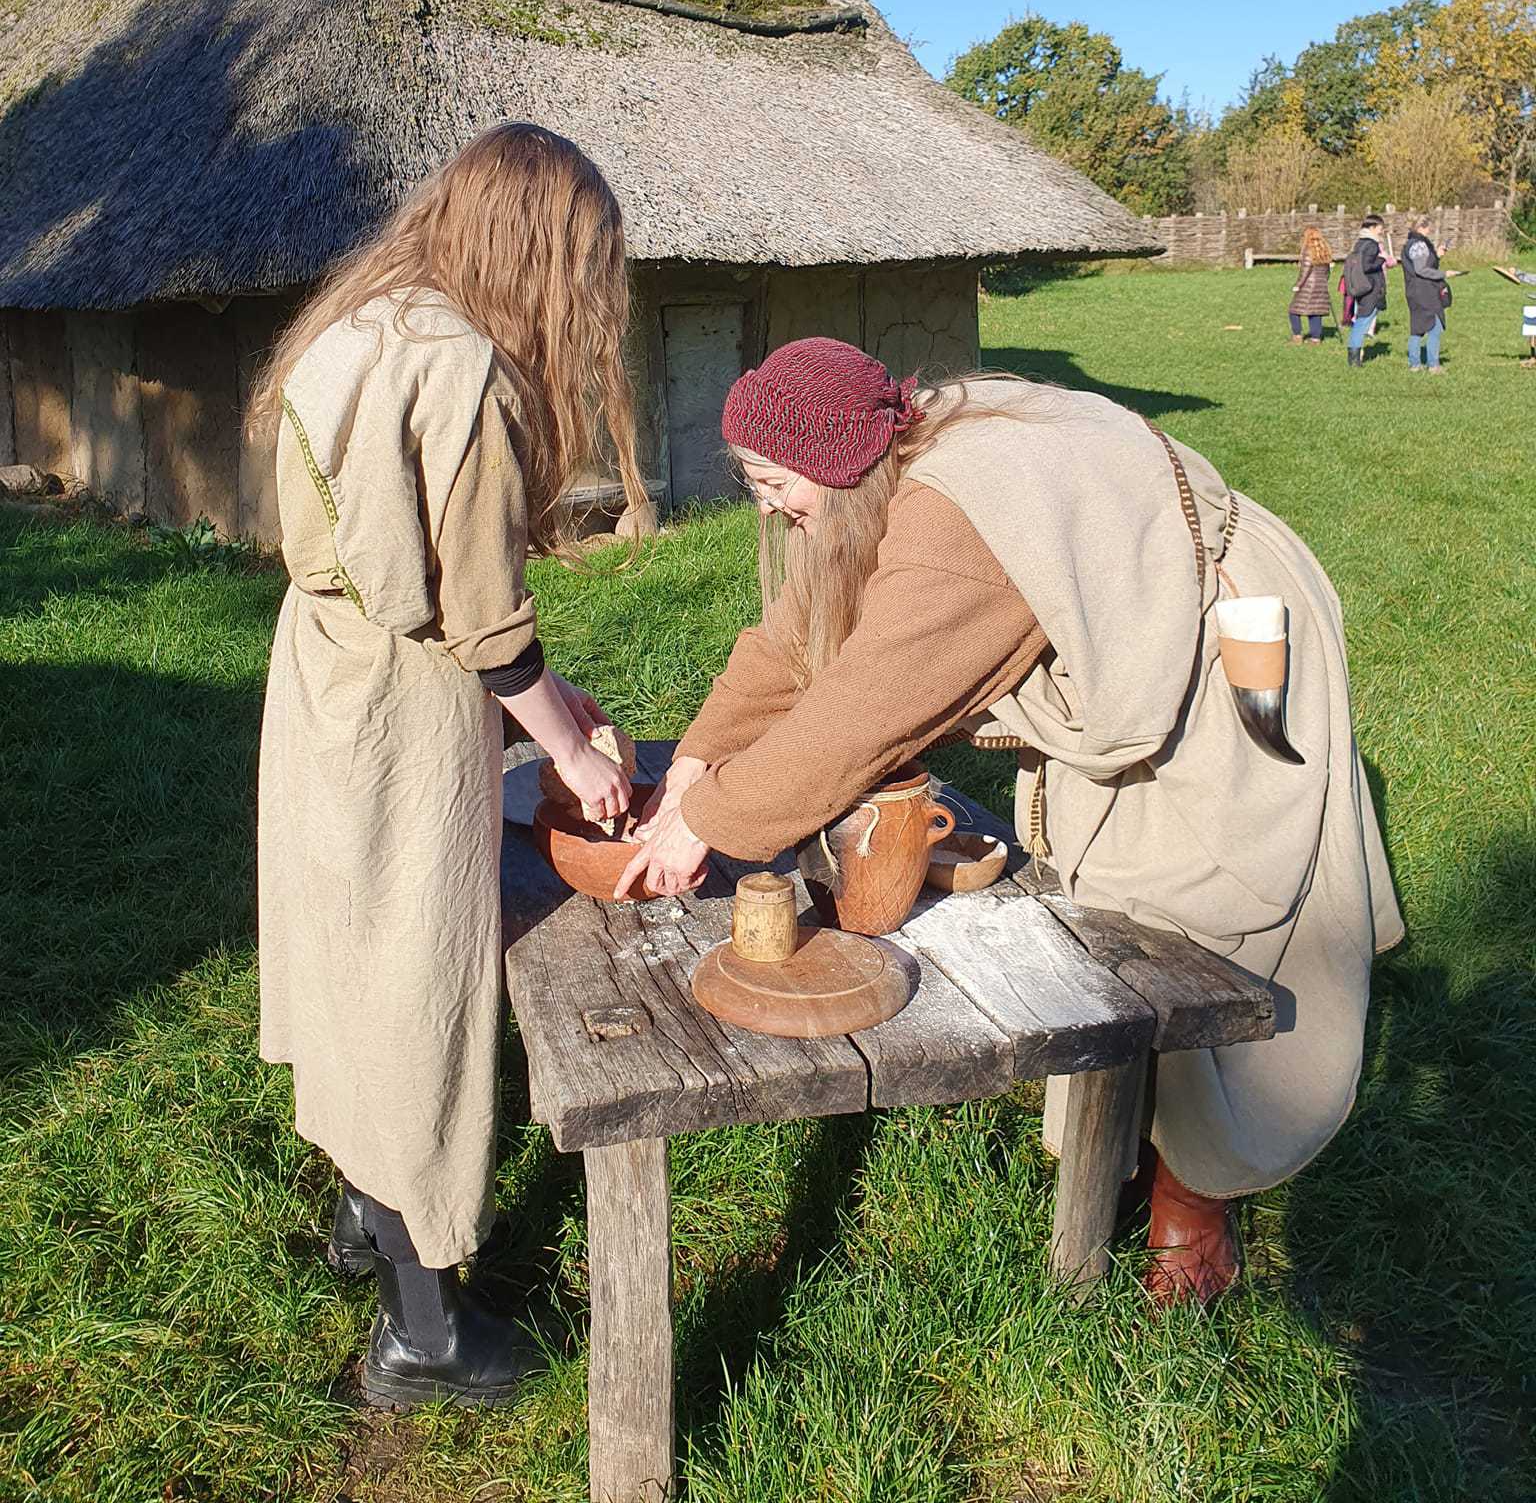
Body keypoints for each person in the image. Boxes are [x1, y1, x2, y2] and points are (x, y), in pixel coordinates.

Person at [619, 340, 1403, 1305]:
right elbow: (794, 639)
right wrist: (695, 762)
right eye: (755, 484)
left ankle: (1199, 1192)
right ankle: (1125, 1139)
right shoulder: (879, 465)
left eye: (777, 484)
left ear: (837, 462)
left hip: (1230, 649)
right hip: (1132, 646)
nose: (771, 507)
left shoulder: (959, 520)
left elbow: (861, 713)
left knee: (1229, 906)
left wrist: (706, 822)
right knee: (1120, 897)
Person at [251, 122, 649, 1408]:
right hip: (402, 712)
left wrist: (542, 700)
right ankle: (420, 1329)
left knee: (349, 948)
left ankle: (364, 1213)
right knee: (415, 981)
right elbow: (479, 617)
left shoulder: (365, 323)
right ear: (540, 250)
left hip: (325, 677)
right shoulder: (466, 365)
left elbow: (407, 562)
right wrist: (574, 749)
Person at [1400, 217, 1452, 373]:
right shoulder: (1420, 245)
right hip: (1425, 291)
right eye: (1428, 228)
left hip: (1413, 290)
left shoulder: (1409, 244)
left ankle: (1414, 364)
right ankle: (1433, 365)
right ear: (1421, 227)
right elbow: (1421, 270)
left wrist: (1437, 255)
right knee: (1435, 327)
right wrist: (1444, 273)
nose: (1430, 231)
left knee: (1416, 328)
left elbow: (1424, 264)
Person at [1343, 214, 1394, 367]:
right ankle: (1354, 359)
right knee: (1363, 322)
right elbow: (1366, 266)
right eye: (1380, 228)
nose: (1381, 231)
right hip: (1370, 287)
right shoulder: (1371, 244)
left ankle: (1354, 357)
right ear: (1372, 227)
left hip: (1361, 286)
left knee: (1361, 320)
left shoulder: (1360, 243)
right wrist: (1382, 259)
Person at [1286, 226, 1334, 343]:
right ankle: (1315, 339)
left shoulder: (1308, 251)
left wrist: (1298, 285)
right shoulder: (1324, 251)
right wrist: (1323, 282)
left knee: (1293, 310)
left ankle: (1297, 336)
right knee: (1315, 312)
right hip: (1321, 286)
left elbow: (1305, 270)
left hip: (1308, 287)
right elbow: (1327, 271)